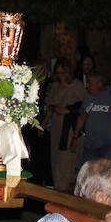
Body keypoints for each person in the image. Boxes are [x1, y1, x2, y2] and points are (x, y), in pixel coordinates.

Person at [69, 72, 111, 166]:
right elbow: (82, 118)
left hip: (110, 146)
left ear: (99, 84)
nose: (87, 85)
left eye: (89, 83)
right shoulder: (88, 98)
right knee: (88, 172)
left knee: (109, 173)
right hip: (90, 145)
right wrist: (74, 138)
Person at [44, 59, 86, 192]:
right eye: (58, 73)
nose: (60, 76)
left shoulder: (77, 86)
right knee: (55, 157)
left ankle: (64, 189)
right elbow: (50, 106)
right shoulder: (55, 86)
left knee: (67, 159)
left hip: (70, 127)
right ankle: (57, 187)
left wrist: (68, 109)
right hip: (56, 126)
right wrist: (43, 124)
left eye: (63, 73)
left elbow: (84, 106)